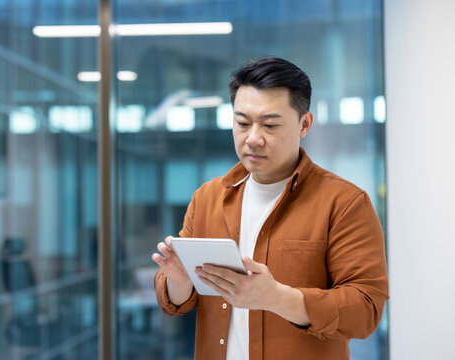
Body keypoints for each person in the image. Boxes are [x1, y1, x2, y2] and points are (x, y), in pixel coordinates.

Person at [152, 57, 389, 360]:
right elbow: (178, 301)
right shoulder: (207, 198)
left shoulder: (344, 203)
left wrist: (277, 298)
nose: (252, 138)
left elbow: (365, 309)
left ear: (305, 124)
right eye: (242, 123)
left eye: (270, 125)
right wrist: (179, 280)